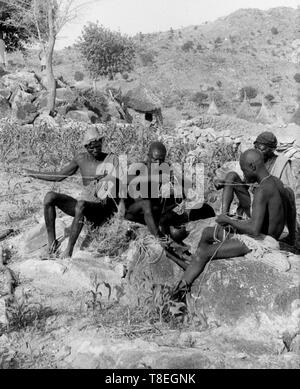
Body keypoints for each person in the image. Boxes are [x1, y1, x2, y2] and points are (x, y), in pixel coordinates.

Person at [172, 148, 296, 301]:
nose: (244, 174)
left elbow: (254, 229)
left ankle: (178, 295)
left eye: (245, 170)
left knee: (204, 252)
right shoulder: (276, 182)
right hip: (263, 236)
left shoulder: (263, 191)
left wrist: (229, 221)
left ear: (252, 167)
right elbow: (290, 208)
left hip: (261, 242)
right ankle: (193, 266)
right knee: (208, 233)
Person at [24, 126, 121, 259]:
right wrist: (32, 174)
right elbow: (59, 176)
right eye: (91, 148)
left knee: (81, 204)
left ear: (102, 143)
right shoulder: (80, 159)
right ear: (86, 147)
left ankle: (69, 250)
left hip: (102, 209)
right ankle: (52, 243)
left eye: (98, 146)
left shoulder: (111, 159)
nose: (95, 150)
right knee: (50, 197)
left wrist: (106, 179)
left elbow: (119, 184)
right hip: (84, 206)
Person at [215, 131, 297, 245]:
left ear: (271, 149)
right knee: (231, 176)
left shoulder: (281, 164)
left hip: (267, 209)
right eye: (256, 147)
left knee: (289, 193)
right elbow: (247, 179)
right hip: (253, 202)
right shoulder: (255, 159)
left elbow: (287, 194)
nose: (258, 151)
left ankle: (292, 237)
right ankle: (224, 217)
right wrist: (225, 182)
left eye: (261, 149)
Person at [124, 141, 215, 244]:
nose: (158, 163)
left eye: (161, 160)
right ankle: (158, 237)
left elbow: (183, 183)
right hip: (136, 211)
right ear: (148, 156)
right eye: (155, 159)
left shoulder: (164, 168)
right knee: (147, 204)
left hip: (155, 212)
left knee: (186, 212)